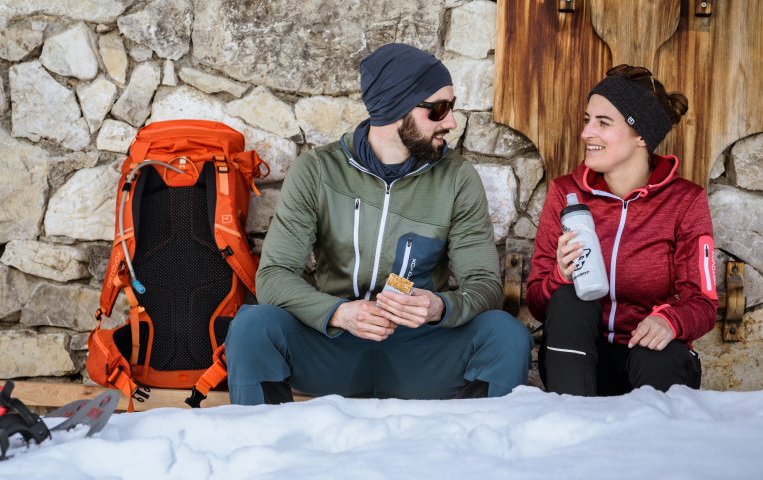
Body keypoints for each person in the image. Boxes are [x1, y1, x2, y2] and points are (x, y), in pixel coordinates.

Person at [224, 43, 533, 405]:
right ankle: (268, 453)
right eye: (438, 109)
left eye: (451, 107)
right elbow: (273, 275)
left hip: (420, 351)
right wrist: (338, 313)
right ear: (395, 109)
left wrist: (439, 308)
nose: (450, 122)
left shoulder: (456, 178)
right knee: (251, 327)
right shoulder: (318, 170)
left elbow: (484, 286)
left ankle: (476, 454)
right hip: (333, 344)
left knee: (506, 336)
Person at [525, 65, 718, 396]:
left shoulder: (685, 201)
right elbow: (538, 302)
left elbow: (703, 302)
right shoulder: (565, 193)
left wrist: (672, 320)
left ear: (640, 135)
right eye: (587, 120)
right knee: (572, 299)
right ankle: (572, 424)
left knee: (656, 350)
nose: (587, 133)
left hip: (649, 361)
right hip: (580, 363)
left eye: (603, 123)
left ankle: (649, 439)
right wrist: (559, 275)